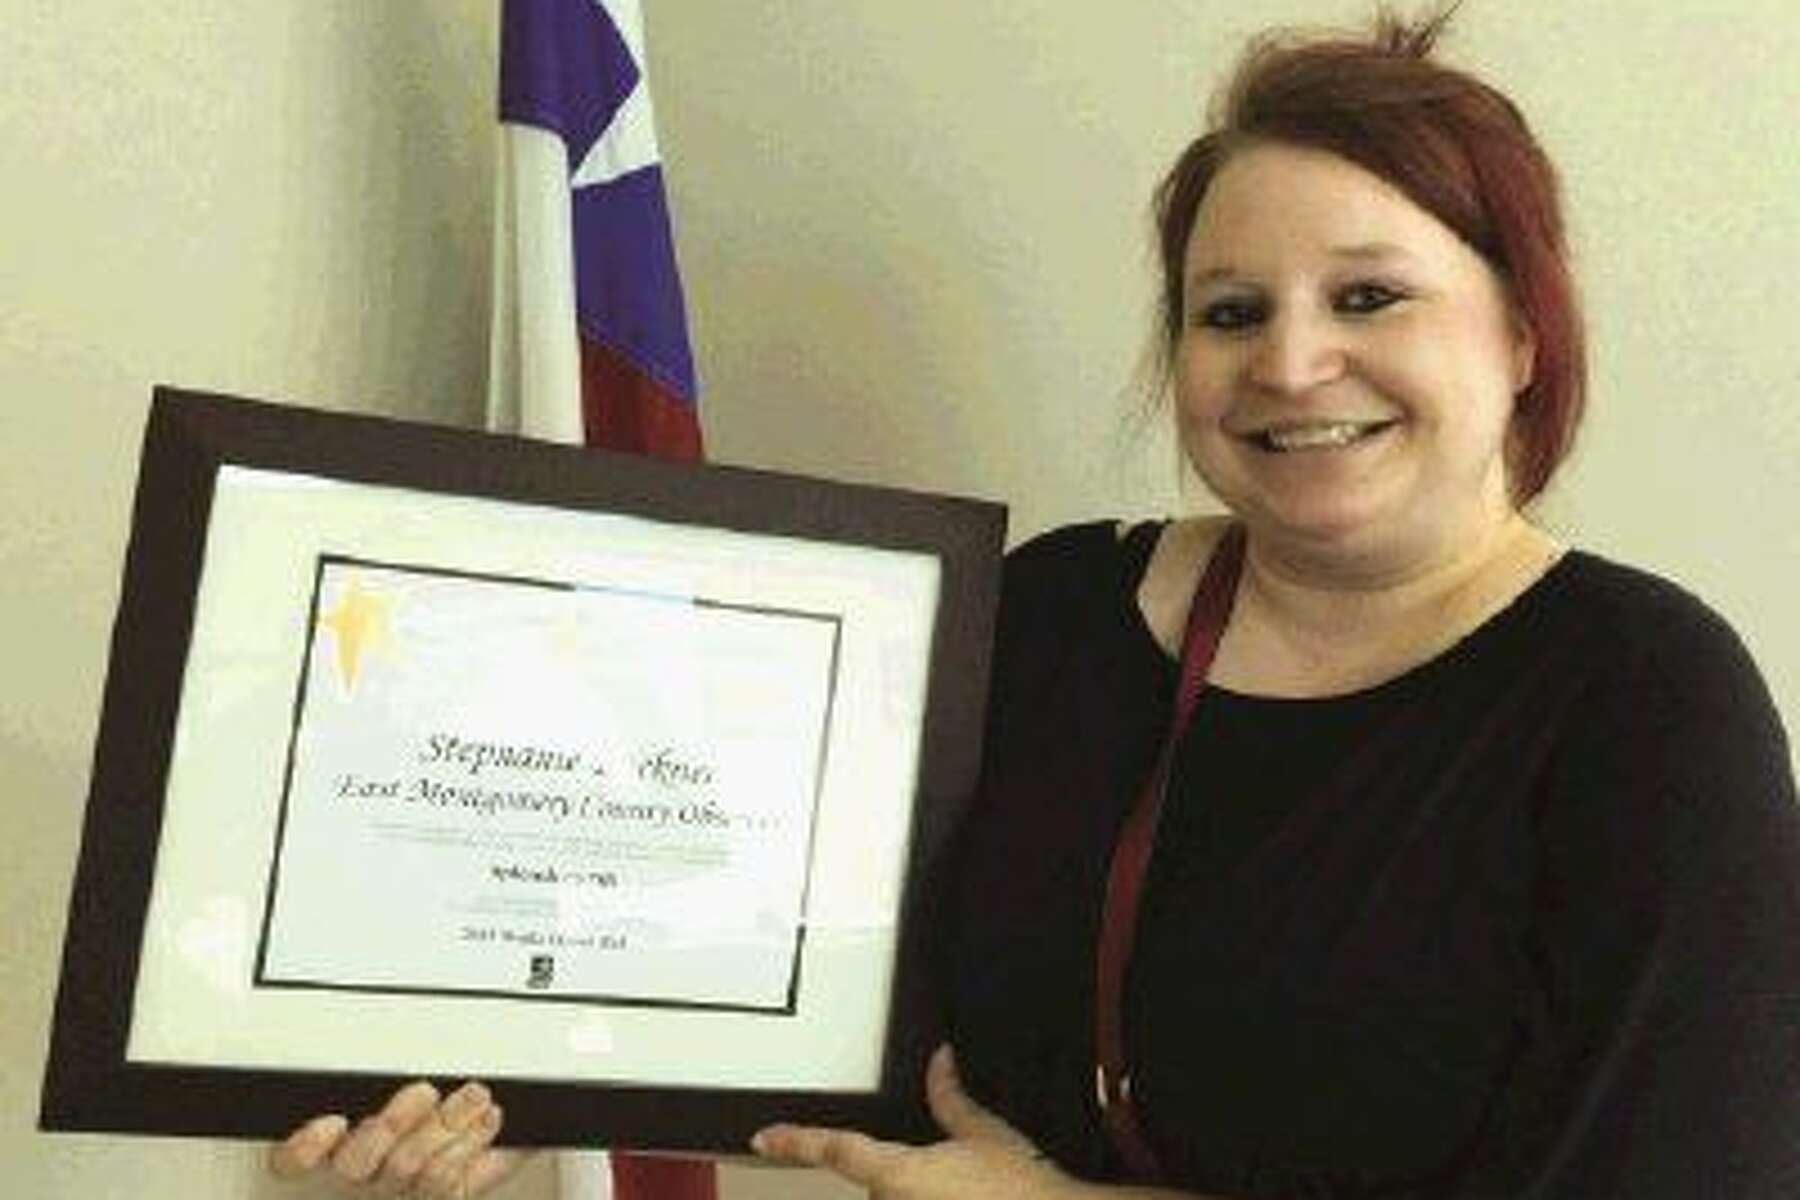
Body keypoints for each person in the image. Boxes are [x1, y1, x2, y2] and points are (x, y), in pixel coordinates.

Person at [274, 5, 1800, 1197]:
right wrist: (498, 1078)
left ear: (1524, 336)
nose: (1287, 363)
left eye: (1368, 296)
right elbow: (738, 947)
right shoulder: (1047, 618)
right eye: (1228, 312)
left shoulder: (1646, 702)